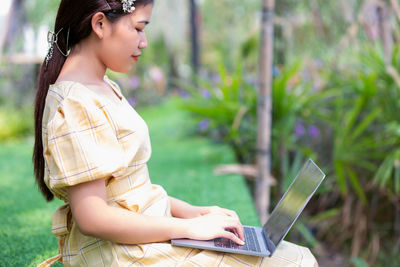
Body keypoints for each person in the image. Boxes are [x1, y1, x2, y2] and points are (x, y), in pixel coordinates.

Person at [33, 0, 317, 266]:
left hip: (142, 236)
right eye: (138, 28)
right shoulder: (74, 103)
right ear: (100, 24)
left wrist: (195, 212)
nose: (143, 43)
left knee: (293, 256)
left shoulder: (101, 86)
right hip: (119, 253)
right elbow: (93, 217)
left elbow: (130, 194)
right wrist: (188, 228)